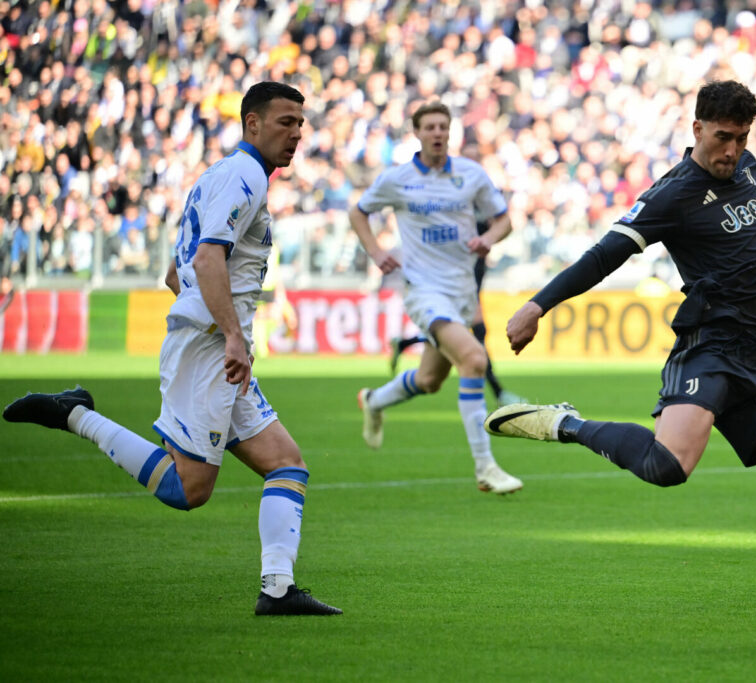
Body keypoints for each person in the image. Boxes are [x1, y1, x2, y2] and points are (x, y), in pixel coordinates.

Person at [484, 80, 756, 634]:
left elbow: (753, 184)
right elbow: (603, 255)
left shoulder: (744, 165)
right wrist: (537, 305)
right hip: (710, 352)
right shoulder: (670, 195)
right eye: (723, 137)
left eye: (742, 137)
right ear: (697, 128)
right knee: (666, 467)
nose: (732, 149)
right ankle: (565, 424)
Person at [3, 82, 342, 616]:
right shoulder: (246, 175)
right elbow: (206, 261)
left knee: (287, 464)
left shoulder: (220, 175)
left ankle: (277, 589)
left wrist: (217, 327)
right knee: (189, 488)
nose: (297, 133)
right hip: (212, 350)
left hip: (217, 348)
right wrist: (227, 334)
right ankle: (78, 416)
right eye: (285, 121)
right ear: (252, 123)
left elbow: (174, 272)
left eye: (301, 122)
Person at [350, 101, 523, 495]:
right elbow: (358, 213)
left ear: (451, 131)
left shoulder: (470, 174)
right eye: (430, 127)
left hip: (462, 289)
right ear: (418, 133)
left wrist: (488, 239)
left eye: (443, 126)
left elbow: (504, 220)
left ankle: (374, 400)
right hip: (423, 289)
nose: (438, 133)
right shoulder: (398, 179)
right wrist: (377, 253)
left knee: (429, 380)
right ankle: (486, 467)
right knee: (475, 359)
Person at [388, 219, 524, 409]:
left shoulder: (483, 200)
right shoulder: (459, 208)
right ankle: (499, 392)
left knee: (432, 374)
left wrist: (490, 237)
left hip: (473, 277)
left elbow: (502, 223)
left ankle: (404, 343)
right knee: (476, 338)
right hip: (458, 283)